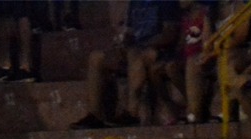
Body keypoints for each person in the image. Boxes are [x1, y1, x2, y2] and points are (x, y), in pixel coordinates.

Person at [68, 0, 180, 129]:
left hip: (157, 50)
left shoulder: (167, 2)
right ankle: (95, 114)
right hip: (134, 48)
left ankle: (132, 113)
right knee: (96, 58)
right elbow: (131, 31)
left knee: (135, 54)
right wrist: (124, 42)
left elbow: (169, 33)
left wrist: (144, 45)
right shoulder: (135, 3)